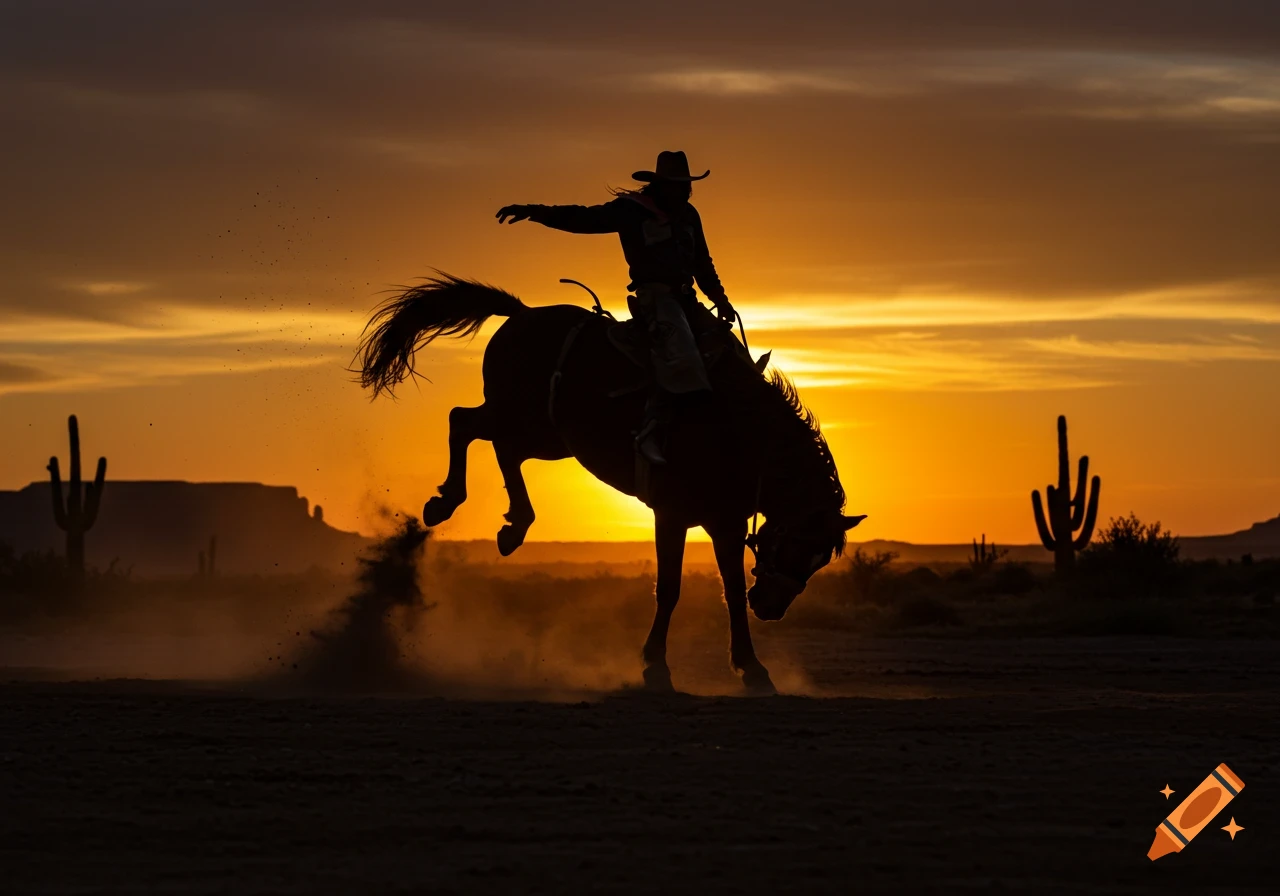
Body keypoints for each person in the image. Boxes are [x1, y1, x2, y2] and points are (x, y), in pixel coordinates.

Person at [496, 150, 735, 465]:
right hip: (656, 299)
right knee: (680, 355)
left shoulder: (689, 216)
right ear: (661, 185)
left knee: (730, 351)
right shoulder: (633, 211)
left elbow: (703, 263)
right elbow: (583, 218)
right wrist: (536, 212)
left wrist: (720, 299)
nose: (682, 191)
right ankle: (654, 424)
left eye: (684, 185)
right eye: (676, 185)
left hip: (686, 300)